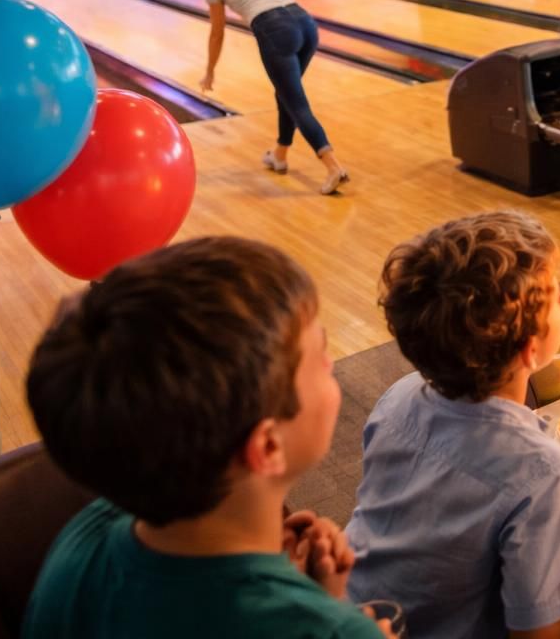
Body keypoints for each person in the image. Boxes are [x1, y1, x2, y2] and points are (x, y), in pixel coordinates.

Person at [23, 238, 391, 639]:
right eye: (320, 356)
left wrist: (309, 599)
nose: (331, 364)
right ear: (268, 446)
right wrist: (332, 615)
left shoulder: (86, 536)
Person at [345, 211, 560, 639]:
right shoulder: (540, 470)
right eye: (556, 295)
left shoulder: (398, 398)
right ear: (530, 348)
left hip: (350, 614)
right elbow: (542, 636)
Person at [201, 0, 348, 195]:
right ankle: (280, 154)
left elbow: (217, 33)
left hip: (275, 31)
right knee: (286, 94)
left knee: (297, 103)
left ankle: (333, 167)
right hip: (305, 24)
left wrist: (210, 71)